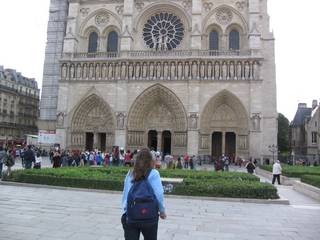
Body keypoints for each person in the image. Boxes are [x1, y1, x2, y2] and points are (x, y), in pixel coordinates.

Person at [121, 148, 166, 240]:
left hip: (131, 215)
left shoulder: (130, 173)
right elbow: (159, 194)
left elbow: (126, 194)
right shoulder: (154, 173)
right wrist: (162, 211)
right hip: (149, 215)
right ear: (151, 161)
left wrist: (125, 211)